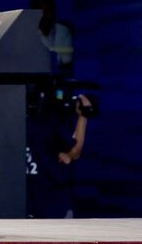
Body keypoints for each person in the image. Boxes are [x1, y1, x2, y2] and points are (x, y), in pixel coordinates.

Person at [26, 89, 92, 218]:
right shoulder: (48, 126)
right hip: (47, 204)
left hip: (47, 205)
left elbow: (72, 154)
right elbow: (75, 151)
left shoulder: (24, 124)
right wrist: (84, 115)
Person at [30, 0, 74, 75]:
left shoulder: (63, 30)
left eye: (49, 11)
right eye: (43, 12)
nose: (47, 15)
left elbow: (67, 61)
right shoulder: (27, 33)